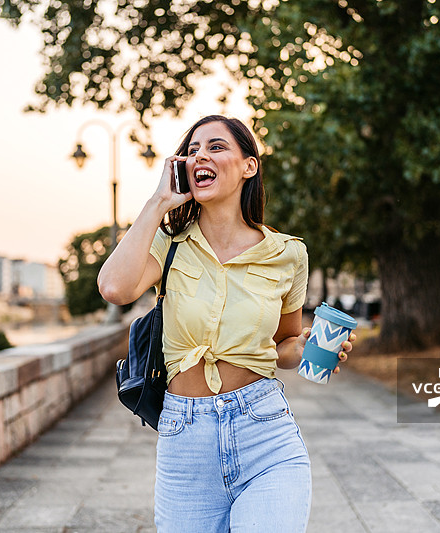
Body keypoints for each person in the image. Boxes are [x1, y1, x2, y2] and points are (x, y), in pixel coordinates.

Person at [97, 115, 355, 532]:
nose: (201, 155)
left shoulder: (288, 254)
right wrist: (158, 203)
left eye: (216, 147)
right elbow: (113, 288)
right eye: (193, 150)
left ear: (249, 166)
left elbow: (285, 344)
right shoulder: (168, 244)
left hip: (266, 433)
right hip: (185, 439)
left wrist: (306, 347)